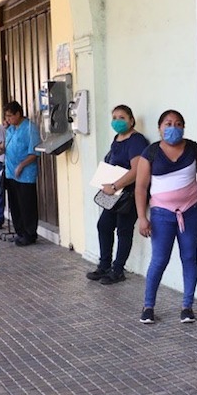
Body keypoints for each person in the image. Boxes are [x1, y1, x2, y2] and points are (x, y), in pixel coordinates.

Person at [134, 109, 197, 324]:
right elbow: (141, 187)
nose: (173, 127)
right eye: (168, 123)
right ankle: (148, 306)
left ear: (183, 127)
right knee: (159, 260)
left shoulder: (193, 149)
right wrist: (142, 218)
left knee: (189, 257)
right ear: (159, 128)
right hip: (161, 214)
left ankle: (187, 306)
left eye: (178, 123)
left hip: (191, 211)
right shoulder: (150, 153)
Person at [86, 105, 148, 284]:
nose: (117, 121)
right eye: (114, 117)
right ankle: (104, 266)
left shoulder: (136, 141)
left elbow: (137, 170)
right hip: (113, 193)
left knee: (124, 229)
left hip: (129, 193)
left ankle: (118, 270)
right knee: (104, 225)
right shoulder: (117, 138)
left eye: (122, 117)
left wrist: (115, 185)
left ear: (131, 120)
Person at [2, 101, 42, 246]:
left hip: (25, 174)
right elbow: (7, 146)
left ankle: (30, 234)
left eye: (10, 116)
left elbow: (35, 151)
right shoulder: (11, 129)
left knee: (27, 205)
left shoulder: (30, 128)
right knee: (15, 205)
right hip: (11, 172)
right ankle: (20, 232)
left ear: (18, 114)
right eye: (6, 116)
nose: (8, 119)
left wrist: (22, 165)